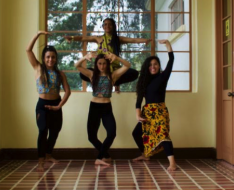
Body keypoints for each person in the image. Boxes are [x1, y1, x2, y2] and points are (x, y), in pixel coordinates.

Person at [75, 52, 131, 167]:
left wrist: (116, 57)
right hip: (94, 106)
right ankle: (105, 155)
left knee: (111, 133)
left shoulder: (113, 75)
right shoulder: (91, 74)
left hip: (106, 107)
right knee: (91, 136)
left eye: (104, 64)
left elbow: (127, 65)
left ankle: (99, 158)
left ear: (108, 64)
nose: (102, 66)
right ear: (96, 64)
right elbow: (77, 66)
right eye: (99, 64)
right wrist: (85, 57)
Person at [64, 18, 151, 91]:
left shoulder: (117, 39)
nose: (107, 26)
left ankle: (115, 82)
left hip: (114, 70)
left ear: (113, 26)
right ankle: (100, 81)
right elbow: (83, 38)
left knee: (134, 73)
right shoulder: (98, 38)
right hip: (101, 69)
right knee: (82, 74)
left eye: (110, 24)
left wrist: (144, 40)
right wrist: (72, 38)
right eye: (105, 24)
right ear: (103, 27)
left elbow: (132, 40)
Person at [26, 31, 71, 172]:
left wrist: (59, 106)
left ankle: (48, 155)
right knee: (43, 131)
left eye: (53, 57)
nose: (50, 59)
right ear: (44, 58)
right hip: (42, 106)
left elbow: (67, 91)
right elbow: (28, 50)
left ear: (56, 59)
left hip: (56, 105)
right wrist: (38, 34)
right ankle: (40, 161)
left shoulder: (60, 73)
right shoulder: (38, 68)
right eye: (47, 57)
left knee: (55, 132)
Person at [132, 39, 177, 171]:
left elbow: (171, 61)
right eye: (150, 64)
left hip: (159, 111)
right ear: (147, 67)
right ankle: (145, 155)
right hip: (147, 112)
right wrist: (138, 114)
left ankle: (172, 163)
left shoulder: (163, 77)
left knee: (163, 135)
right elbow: (139, 99)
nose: (153, 66)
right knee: (136, 133)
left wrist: (168, 45)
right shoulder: (144, 81)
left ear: (158, 66)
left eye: (155, 64)